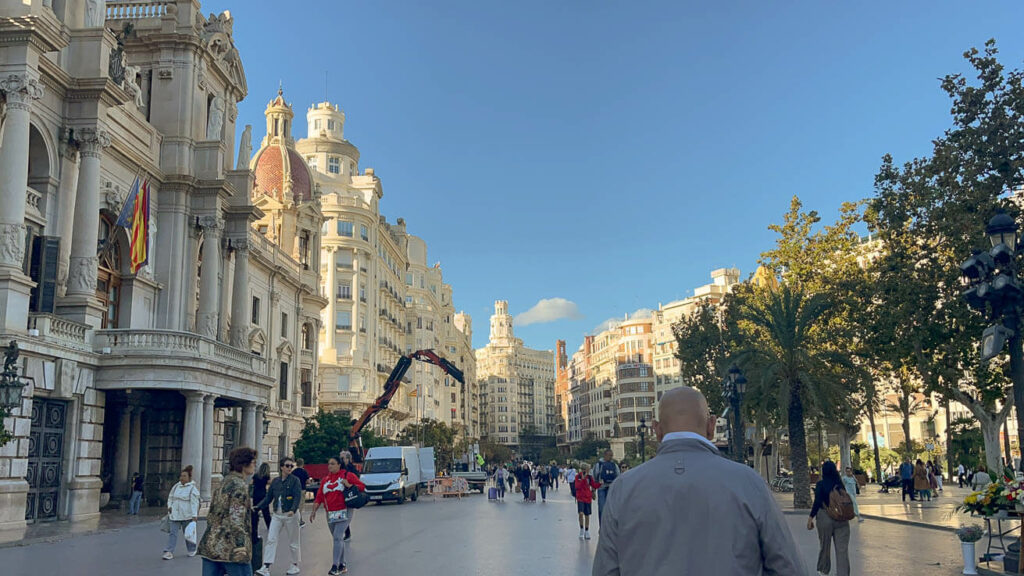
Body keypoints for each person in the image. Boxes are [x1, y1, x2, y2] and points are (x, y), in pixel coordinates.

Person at [592, 387, 804, 575]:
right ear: (711, 425)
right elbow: (787, 565)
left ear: (657, 430)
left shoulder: (624, 488)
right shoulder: (749, 482)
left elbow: (606, 569)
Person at [199, 446, 258, 576]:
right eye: (253, 462)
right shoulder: (239, 486)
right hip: (230, 547)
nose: (255, 465)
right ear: (243, 464)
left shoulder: (224, 482)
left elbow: (211, 513)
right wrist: (240, 545)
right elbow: (236, 518)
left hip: (211, 543)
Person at [311, 456, 366, 576]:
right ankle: (342, 564)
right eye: (328, 464)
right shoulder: (325, 479)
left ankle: (335, 566)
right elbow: (320, 495)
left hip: (345, 510)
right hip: (330, 512)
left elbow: (362, 486)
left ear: (339, 465)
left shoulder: (348, 475)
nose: (329, 466)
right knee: (337, 539)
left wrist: (349, 485)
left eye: (332, 463)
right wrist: (314, 509)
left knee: (337, 536)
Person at [254, 457, 303, 576]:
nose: (290, 468)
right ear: (281, 467)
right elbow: (268, 497)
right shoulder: (275, 482)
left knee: (293, 541)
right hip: (277, 514)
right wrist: (257, 507)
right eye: (287, 466)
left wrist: (293, 509)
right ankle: (266, 566)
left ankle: (294, 564)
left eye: (291, 466)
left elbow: (297, 496)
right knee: (271, 539)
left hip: (290, 515)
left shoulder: (295, 480)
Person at [808, 461, 851, 576]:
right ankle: (843, 573)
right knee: (842, 551)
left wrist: (811, 517)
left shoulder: (821, 484)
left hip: (824, 517)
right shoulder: (840, 484)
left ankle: (823, 571)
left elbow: (817, 502)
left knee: (825, 546)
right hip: (842, 518)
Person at [163, 465, 200, 559]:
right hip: (175, 514)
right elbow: (170, 497)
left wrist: (194, 516)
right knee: (173, 533)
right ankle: (169, 551)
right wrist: (169, 506)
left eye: (184, 476)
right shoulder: (176, 486)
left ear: (189, 477)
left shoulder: (192, 489)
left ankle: (191, 549)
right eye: (181, 476)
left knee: (187, 534)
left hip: (186, 515)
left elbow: (194, 503)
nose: (182, 478)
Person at [592, 449, 620, 524]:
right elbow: (594, 477)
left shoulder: (614, 465)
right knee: (602, 508)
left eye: (612, 455)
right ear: (605, 455)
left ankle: (609, 526)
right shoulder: (599, 465)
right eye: (609, 455)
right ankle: (602, 527)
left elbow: (618, 478)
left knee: (611, 509)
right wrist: (593, 490)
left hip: (611, 489)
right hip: (601, 488)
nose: (611, 457)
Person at [574, 463, 600, 540]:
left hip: (587, 497)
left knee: (587, 515)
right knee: (581, 513)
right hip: (580, 498)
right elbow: (577, 486)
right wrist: (583, 479)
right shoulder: (578, 477)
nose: (588, 471)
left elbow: (594, 485)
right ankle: (581, 529)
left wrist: (600, 484)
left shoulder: (589, 477)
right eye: (587, 470)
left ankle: (587, 530)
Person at [339, 451, 358, 542]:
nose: (341, 460)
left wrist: (348, 484)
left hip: (348, 495)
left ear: (347, 459)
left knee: (347, 516)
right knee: (340, 516)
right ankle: (343, 532)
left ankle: (346, 533)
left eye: (342, 458)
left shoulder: (351, 469)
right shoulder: (337, 468)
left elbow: (358, 483)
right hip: (339, 496)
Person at [252, 462, 272, 529]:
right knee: (266, 512)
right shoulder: (266, 476)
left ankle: (254, 526)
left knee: (255, 511)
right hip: (263, 495)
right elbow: (270, 483)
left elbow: (251, 483)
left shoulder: (256, 475)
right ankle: (269, 526)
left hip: (255, 494)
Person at [291, 458, 310, 527]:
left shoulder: (293, 472)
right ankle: (299, 520)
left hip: (294, 490)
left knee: (295, 504)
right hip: (302, 489)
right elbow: (308, 481)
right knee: (300, 505)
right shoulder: (304, 472)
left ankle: (295, 519)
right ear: (303, 464)